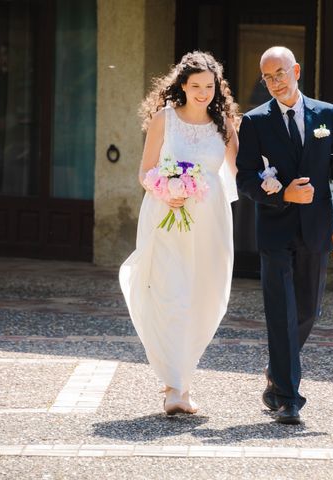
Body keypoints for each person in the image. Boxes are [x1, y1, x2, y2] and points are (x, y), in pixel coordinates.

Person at [236, 46, 333, 425]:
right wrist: (282, 193)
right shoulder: (255, 121)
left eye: (280, 74)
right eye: (267, 77)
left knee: (308, 310)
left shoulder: (328, 115)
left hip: (317, 228)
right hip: (274, 230)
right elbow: (244, 179)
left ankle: (277, 374)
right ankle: (289, 398)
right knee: (281, 313)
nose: (274, 82)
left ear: (297, 71)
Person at [119, 51, 239, 415]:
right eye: (195, 85)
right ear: (182, 86)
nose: (203, 92)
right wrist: (165, 190)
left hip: (210, 223)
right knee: (172, 296)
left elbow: (241, 171)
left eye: (209, 85)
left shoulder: (225, 123)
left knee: (203, 298)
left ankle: (183, 382)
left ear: (217, 87)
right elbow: (145, 171)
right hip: (165, 217)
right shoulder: (164, 120)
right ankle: (173, 386)